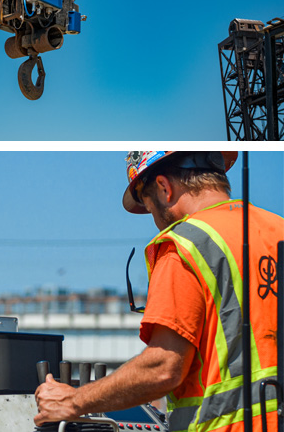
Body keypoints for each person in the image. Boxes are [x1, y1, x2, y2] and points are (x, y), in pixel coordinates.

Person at [35, 151, 280, 432]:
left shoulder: (186, 245)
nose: (154, 218)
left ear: (164, 187)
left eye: (149, 207)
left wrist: (73, 401)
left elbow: (163, 368)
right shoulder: (278, 229)